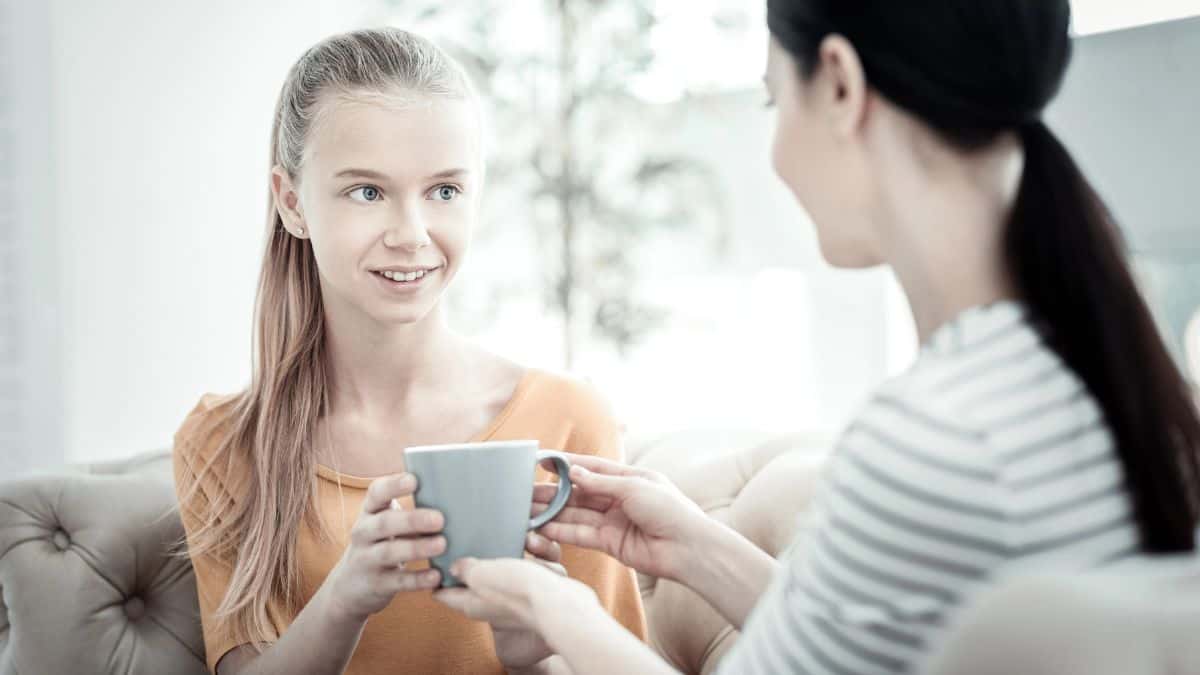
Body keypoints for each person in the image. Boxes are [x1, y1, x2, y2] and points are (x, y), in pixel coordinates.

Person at [432, 2, 1200, 673]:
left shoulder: (937, 433)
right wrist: (696, 546)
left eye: (774, 100)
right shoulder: (1077, 375)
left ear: (839, 83)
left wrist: (553, 608)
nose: (777, 155)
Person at [172, 27, 645, 675]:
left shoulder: (569, 418)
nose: (411, 234)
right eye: (367, 191)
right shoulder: (222, 441)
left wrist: (532, 657)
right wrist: (345, 597)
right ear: (291, 202)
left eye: (444, 191)